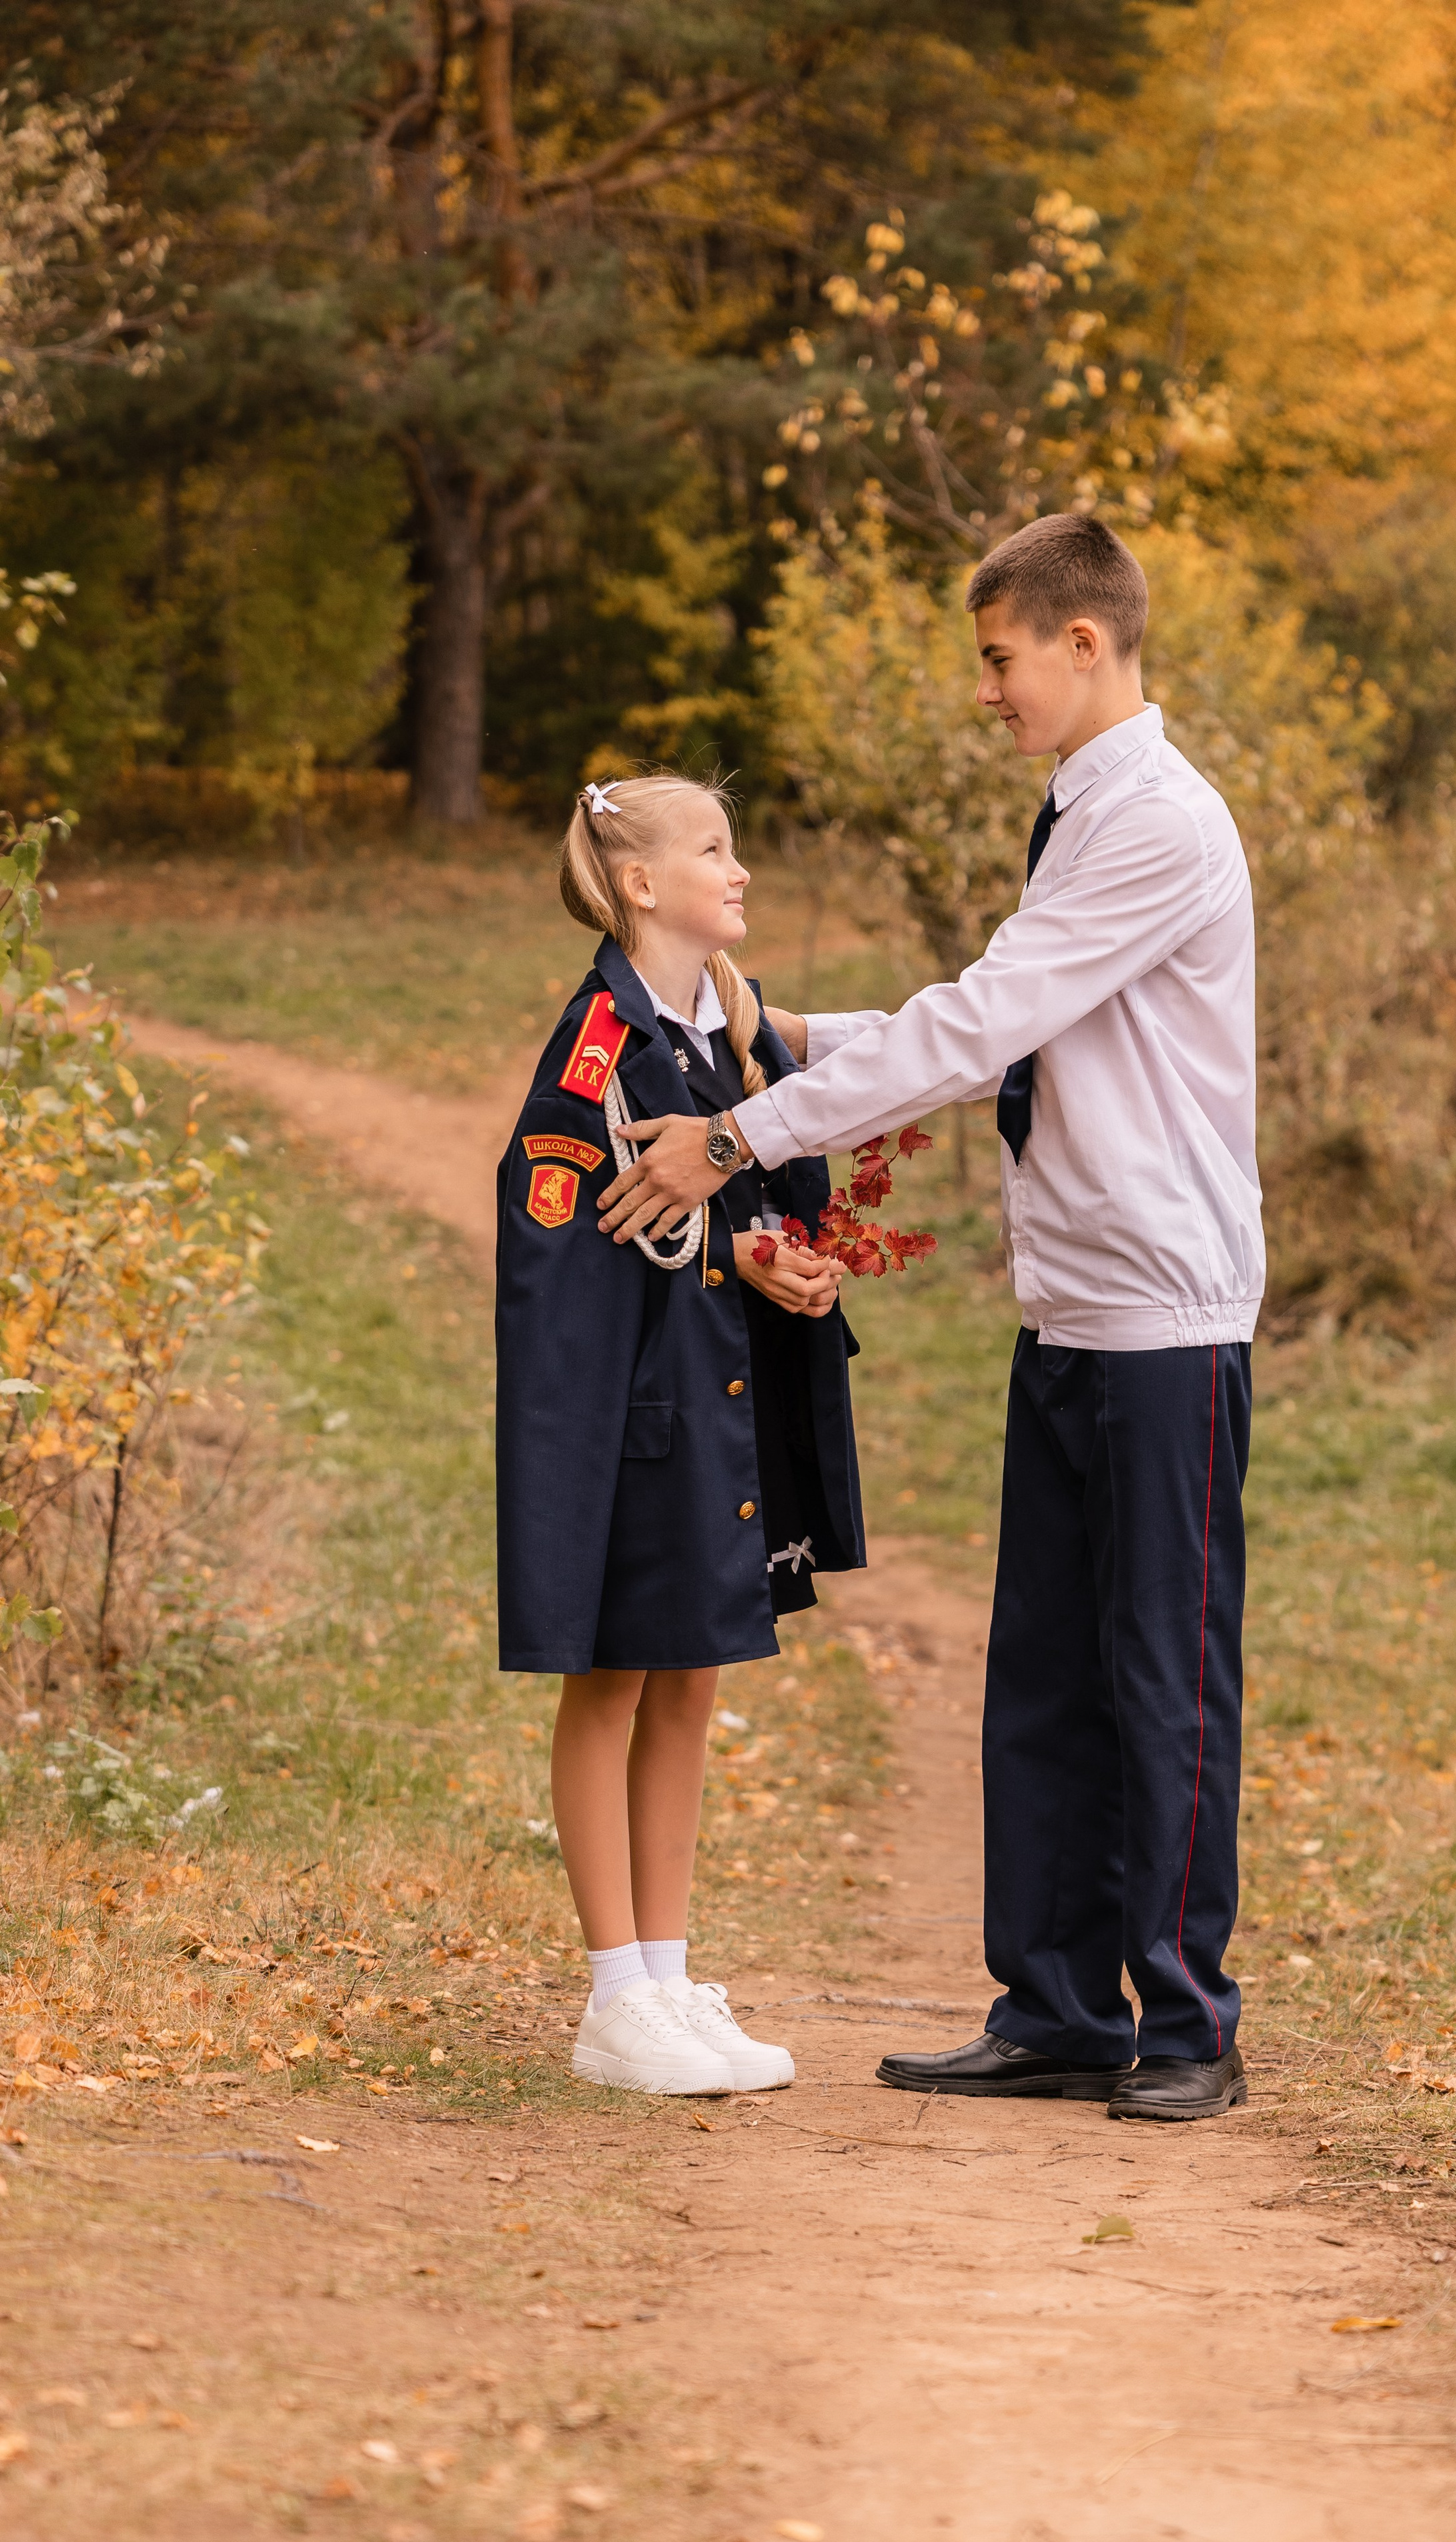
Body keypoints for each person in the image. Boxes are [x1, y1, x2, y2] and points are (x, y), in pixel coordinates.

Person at [596, 515, 1263, 2123]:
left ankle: (1183, 2026)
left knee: (1160, 1676)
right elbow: (1002, 1018)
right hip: (1073, 1301)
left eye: (997, 657)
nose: (985, 689)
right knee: (1040, 1673)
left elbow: (986, 1025)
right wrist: (786, 1038)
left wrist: (736, 1133)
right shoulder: (1083, 810)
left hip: (1165, 1312)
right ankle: (1056, 2011)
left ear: (1082, 644)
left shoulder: (1160, 823)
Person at [495, 771, 865, 2097]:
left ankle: (666, 1973)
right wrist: (728, 1245)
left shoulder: (722, 1028)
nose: (739, 869)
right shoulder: (601, 1043)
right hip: (640, 1419)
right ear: (641, 884)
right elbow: (563, 1240)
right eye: (714, 849)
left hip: (717, 1406)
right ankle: (613, 1996)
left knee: (693, 1675)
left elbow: (740, 1185)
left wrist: (778, 1253)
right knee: (613, 1680)